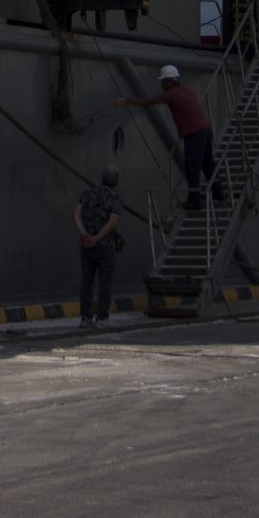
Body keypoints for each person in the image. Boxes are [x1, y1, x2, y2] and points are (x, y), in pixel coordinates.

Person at [123, 64, 215, 208]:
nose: (161, 85)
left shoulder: (171, 93)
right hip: (206, 130)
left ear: (169, 81)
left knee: (192, 165)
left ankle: (194, 199)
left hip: (194, 133)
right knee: (207, 163)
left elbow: (148, 101)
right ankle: (218, 192)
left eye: (163, 82)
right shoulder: (187, 91)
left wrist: (127, 101)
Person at [73, 169, 125, 329]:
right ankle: (102, 317)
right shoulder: (113, 196)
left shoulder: (88, 193)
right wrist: (98, 238)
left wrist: (85, 235)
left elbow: (76, 214)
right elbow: (113, 221)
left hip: (86, 245)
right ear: (116, 181)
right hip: (105, 245)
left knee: (86, 280)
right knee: (105, 281)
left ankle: (85, 317)